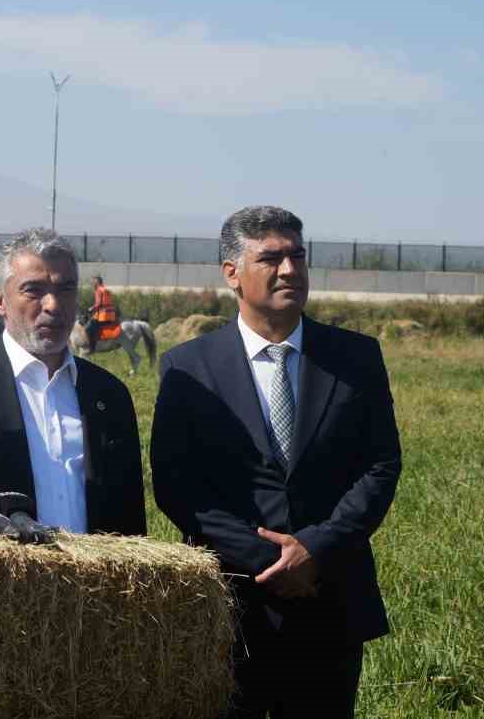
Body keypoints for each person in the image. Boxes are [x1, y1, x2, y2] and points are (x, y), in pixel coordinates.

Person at [151, 206, 402, 718]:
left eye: (297, 256)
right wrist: (267, 560)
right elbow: (178, 485)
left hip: (330, 601)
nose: (289, 270)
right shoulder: (188, 368)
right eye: (271, 258)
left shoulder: (355, 358)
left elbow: (379, 466)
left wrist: (315, 548)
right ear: (232, 274)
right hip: (232, 605)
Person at [0, 229, 147, 535]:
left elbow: (130, 520)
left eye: (66, 289)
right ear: (0, 301)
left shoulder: (109, 395)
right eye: (33, 290)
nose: (53, 305)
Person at [85, 274, 119, 353]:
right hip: (111, 315)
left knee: (88, 329)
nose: (92, 284)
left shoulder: (98, 290)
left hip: (103, 316)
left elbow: (99, 304)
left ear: (97, 282)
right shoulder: (106, 290)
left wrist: (91, 309)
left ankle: (92, 348)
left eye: (93, 282)